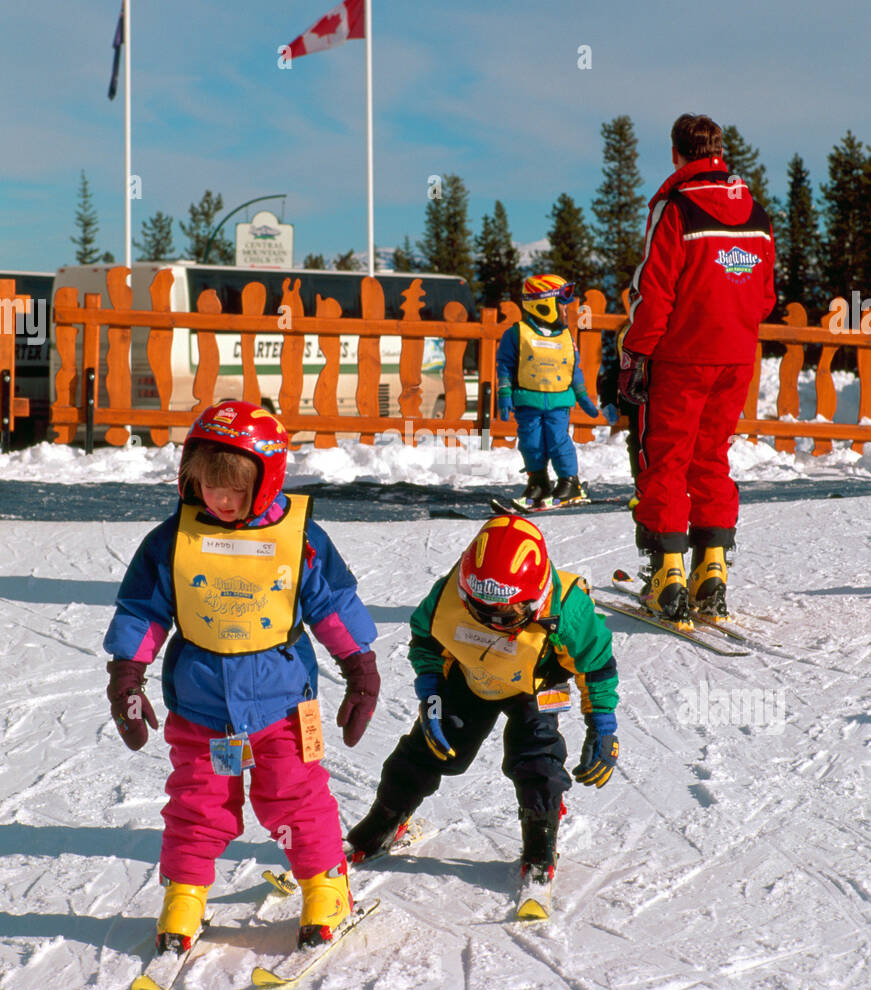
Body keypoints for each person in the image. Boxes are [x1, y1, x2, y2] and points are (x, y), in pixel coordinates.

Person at [103, 401, 381, 952]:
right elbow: (143, 611)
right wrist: (127, 677)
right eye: (208, 485)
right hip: (202, 708)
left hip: (282, 707)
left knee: (295, 798)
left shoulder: (299, 538)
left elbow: (333, 606)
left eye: (233, 490)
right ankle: (185, 891)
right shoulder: (172, 540)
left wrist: (360, 668)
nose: (219, 500)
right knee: (198, 802)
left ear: (266, 480)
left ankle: (327, 883)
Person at [345, 514, 620, 890]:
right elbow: (426, 641)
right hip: (473, 676)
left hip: (538, 682)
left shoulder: (569, 608)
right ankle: (387, 817)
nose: (492, 621)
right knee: (430, 749)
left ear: (535, 597)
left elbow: (596, 664)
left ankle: (541, 836)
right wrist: (432, 692)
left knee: (537, 757)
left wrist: (602, 724)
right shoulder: (448, 594)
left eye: (506, 615)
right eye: (479, 610)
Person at [618, 113, 776, 624]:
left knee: (666, 457)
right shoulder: (758, 214)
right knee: (712, 456)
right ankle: (712, 570)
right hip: (735, 356)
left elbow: (655, 290)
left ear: (675, 153)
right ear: (719, 151)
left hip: (683, 355)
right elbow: (766, 297)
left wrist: (636, 352)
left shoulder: (677, 207)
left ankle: (666, 577)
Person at [496, 273, 601, 505]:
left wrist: (583, 397)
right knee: (531, 442)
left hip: (558, 403)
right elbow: (504, 365)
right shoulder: (516, 334)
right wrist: (504, 395)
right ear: (544, 304)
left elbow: (574, 369)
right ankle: (539, 482)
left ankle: (569, 482)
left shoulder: (566, 337)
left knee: (557, 440)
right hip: (528, 402)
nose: (567, 309)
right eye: (561, 303)